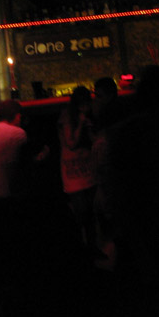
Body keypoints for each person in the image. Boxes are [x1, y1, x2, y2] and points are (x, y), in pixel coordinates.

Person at [58, 86, 98, 251]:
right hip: (74, 171)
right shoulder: (68, 117)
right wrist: (81, 123)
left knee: (91, 213)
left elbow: (94, 141)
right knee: (81, 215)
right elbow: (71, 143)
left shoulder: (86, 117)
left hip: (86, 169)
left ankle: (92, 248)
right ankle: (80, 249)